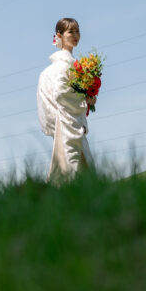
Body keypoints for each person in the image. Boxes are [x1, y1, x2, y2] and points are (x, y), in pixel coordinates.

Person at [37, 17, 95, 182]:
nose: (75, 35)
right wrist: (85, 99)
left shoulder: (65, 65)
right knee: (72, 165)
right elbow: (61, 94)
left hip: (68, 121)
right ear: (59, 35)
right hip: (68, 123)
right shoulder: (64, 65)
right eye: (71, 31)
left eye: (77, 31)